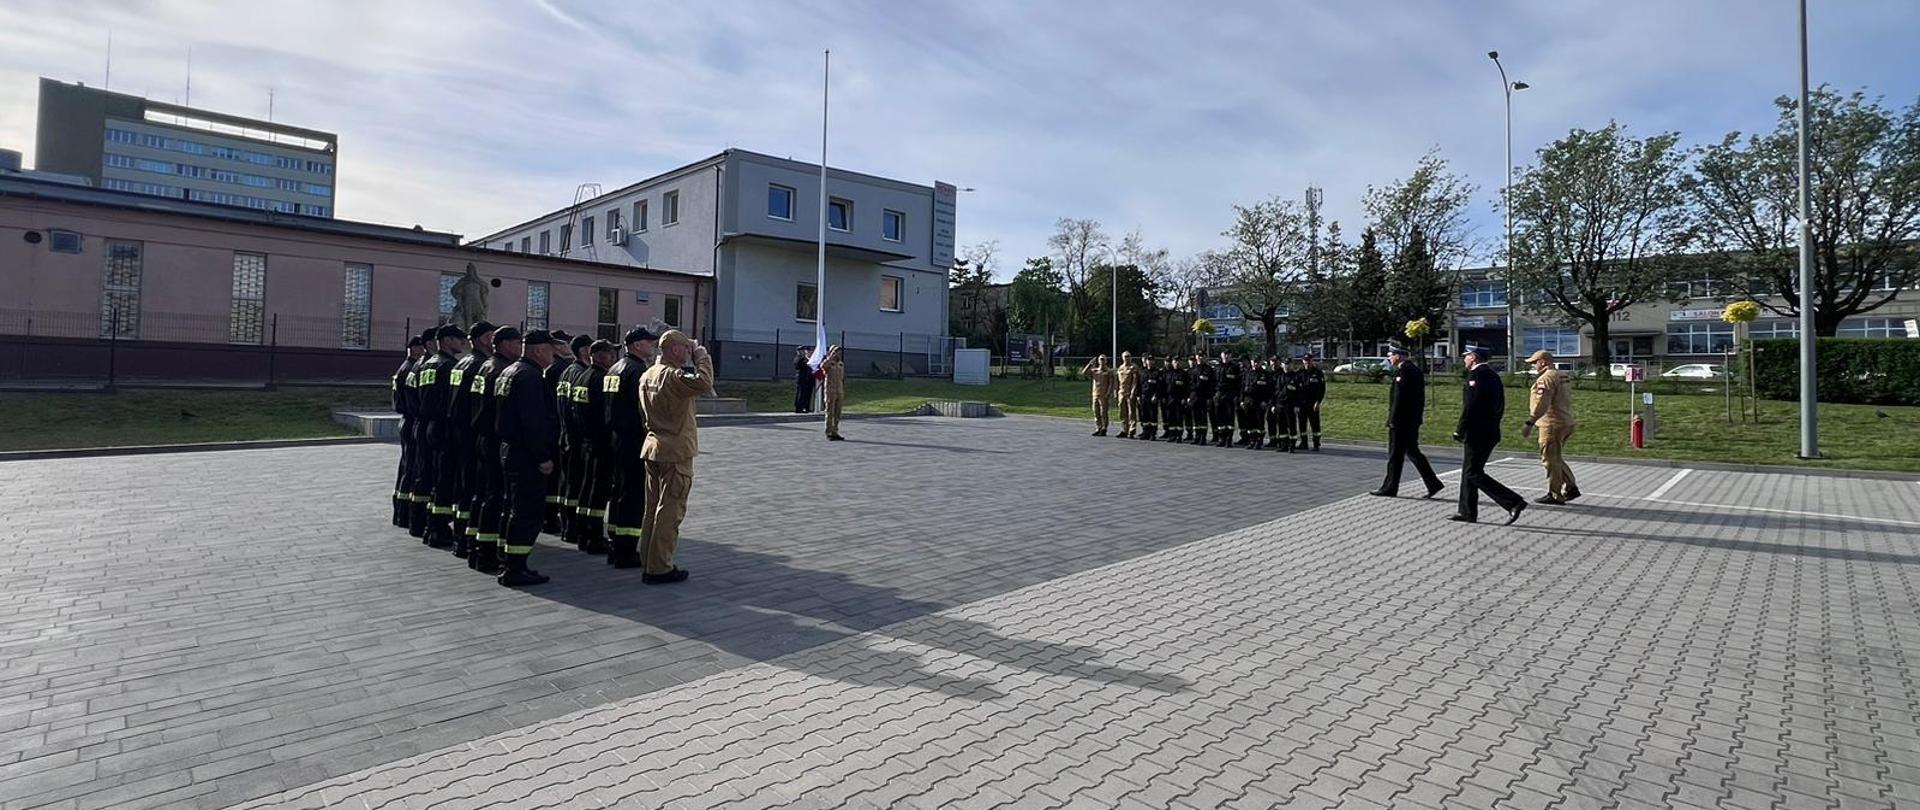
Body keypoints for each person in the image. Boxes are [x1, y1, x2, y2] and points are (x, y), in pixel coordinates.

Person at [638, 330, 714, 585]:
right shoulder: (672, 376)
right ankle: (659, 567)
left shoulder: (647, 374)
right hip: (675, 451)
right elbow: (704, 383)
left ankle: (647, 558)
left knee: (652, 509)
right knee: (671, 510)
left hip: (653, 447)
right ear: (673, 350)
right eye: (685, 348)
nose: (688, 352)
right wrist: (702, 357)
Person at [494, 329, 560, 587]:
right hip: (526, 455)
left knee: (511, 508)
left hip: (509, 449)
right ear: (537, 350)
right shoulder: (530, 377)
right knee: (526, 512)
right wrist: (543, 457)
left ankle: (509, 560)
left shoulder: (509, 372)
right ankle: (515, 568)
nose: (554, 354)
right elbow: (533, 422)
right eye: (550, 349)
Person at [1452, 345, 1527, 525]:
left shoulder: (1477, 376)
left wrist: (1460, 429)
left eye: (1467, 356)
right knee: (1469, 470)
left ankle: (1513, 501)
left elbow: (1471, 406)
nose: (1464, 359)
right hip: (1489, 430)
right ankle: (1467, 511)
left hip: (1478, 432)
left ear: (1474, 357)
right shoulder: (1493, 375)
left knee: (1473, 473)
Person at [603, 327, 657, 568]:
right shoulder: (636, 371)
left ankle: (615, 541)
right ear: (636, 345)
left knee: (619, 491)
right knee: (633, 495)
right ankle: (626, 549)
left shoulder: (615, 368)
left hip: (616, 437)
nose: (652, 346)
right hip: (633, 438)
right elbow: (643, 408)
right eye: (648, 342)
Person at [468, 326, 517, 575]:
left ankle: (476, 547)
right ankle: (488, 553)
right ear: (507, 344)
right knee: (495, 496)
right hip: (495, 439)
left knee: (484, 493)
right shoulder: (499, 369)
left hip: (481, 436)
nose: (520, 348)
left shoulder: (486, 366)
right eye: (517, 343)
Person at [445, 321, 495, 559]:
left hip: (459, 430)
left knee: (464, 485)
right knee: (473, 487)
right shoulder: (478, 365)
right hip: (471, 432)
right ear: (481, 339)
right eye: (490, 336)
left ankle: (461, 536)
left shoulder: (462, 363)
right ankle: (466, 539)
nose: (493, 340)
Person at [1371, 345, 1444, 498]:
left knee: (1395, 455)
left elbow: (1399, 399)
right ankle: (1433, 483)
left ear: (1399, 356)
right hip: (1411, 420)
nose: (1389, 357)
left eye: (1391, 355)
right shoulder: (1414, 370)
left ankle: (1390, 488)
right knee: (1413, 452)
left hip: (1401, 421)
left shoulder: (1404, 371)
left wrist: (1392, 420)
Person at [420, 325, 467, 550]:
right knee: (446, 480)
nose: (463, 343)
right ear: (447, 341)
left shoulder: (427, 363)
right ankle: (439, 529)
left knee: (436, 477)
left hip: (430, 425)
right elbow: (453, 402)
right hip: (445, 427)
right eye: (459, 339)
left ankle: (432, 526)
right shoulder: (448, 366)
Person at [569, 340, 618, 555]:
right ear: (597, 355)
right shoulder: (600, 378)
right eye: (609, 353)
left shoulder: (582, 375)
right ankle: (595, 536)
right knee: (598, 492)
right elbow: (606, 414)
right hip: (601, 443)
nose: (613, 357)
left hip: (585, 441)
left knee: (586, 488)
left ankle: (583, 532)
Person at [1523, 350, 1582, 505]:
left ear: (1543, 362)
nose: (1534, 366)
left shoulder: (1546, 378)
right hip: (1565, 420)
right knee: (1555, 457)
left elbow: (1542, 403)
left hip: (1551, 423)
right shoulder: (1561, 375)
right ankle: (1570, 486)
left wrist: (1530, 422)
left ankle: (1555, 494)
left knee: (1549, 459)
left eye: (1535, 362)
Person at [403, 327, 441, 538]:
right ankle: (420, 522)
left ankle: (413, 520)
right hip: (425, 423)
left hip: (419, 422)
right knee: (426, 474)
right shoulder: (428, 366)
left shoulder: (419, 366)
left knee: (418, 472)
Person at [541, 331, 576, 535]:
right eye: (564, 344)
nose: (566, 347)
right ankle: (550, 517)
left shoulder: (554, 368)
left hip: (555, 427)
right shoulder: (560, 368)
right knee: (555, 479)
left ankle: (550, 515)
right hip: (555, 427)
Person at [391, 335, 425, 528]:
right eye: (420, 348)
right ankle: (404, 514)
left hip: (407, 420)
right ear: (413, 349)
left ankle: (401, 512)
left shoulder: (404, 369)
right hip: (411, 419)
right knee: (411, 467)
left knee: (406, 466)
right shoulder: (409, 370)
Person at [1297, 353, 1327, 451]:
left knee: (1315, 424)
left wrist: (1318, 402)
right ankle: (1304, 442)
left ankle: (1316, 443)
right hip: (1302, 403)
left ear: (1312, 361)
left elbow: (1322, 389)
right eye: (1305, 361)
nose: (1307, 362)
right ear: (1303, 361)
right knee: (1302, 424)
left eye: (1309, 360)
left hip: (1313, 403)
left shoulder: (1318, 373)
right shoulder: (1300, 372)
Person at [1241, 356, 1272, 449]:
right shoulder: (1247, 373)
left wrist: (1265, 401)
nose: (1255, 364)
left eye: (1257, 362)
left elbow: (1269, 390)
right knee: (1249, 422)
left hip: (1260, 402)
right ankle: (1252, 440)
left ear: (1261, 362)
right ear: (1251, 362)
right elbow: (1242, 388)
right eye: (1254, 362)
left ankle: (1259, 441)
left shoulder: (1265, 374)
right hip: (1248, 400)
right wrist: (1242, 400)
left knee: (1259, 422)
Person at [1082, 355, 1115, 436]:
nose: (1102, 361)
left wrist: (1109, 393)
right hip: (1095, 394)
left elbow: (1111, 383)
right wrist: (1090, 364)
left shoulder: (1108, 371)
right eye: (1100, 359)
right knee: (1096, 412)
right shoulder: (1095, 371)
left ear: (1106, 361)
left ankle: (1104, 428)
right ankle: (1098, 427)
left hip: (1104, 395)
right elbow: (1084, 373)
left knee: (1103, 412)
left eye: (1103, 359)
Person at [1186, 353, 1212, 445]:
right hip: (1194, 396)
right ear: (1196, 357)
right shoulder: (1193, 370)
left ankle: (1203, 437)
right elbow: (1189, 385)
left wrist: (1210, 397)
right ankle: (1197, 436)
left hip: (1204, 396)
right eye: (1199, 356)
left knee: (1203, 417)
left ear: (1205, 358)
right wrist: (1189, 396)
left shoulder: (1208, 370)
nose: (1201, 358)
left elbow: (1211, 385)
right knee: (1196, 417)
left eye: (1203, 356)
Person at [822, 345, 846, 441]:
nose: (837, 353)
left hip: (839, 391)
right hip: (830, 391)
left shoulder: (840, 364)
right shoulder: (828, 363)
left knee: (837, 413)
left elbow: (842, 378)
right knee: (830, 412)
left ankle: (835, 431)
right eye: (835, 351)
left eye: (839, 351)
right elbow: (823, 367)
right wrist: (830, 356)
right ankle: (829, 432)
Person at [1161, 356, 1188, 442]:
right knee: (1170, 417)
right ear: (1172, 363)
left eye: (1178, 362)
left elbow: (1186, 388)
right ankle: (1172, 435)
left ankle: (1179, 436)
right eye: (1175, 361)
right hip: (1170, 398)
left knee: (1179, 417)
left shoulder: (1183, 374)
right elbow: (1164, 386)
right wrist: (1164, 397)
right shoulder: (1168, 373)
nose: (1177, 363)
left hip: (1179, 398)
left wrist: (1184, 398)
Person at [1114, 352, 1140, 438]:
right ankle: (1124, 429)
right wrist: (1116, 390)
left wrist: (1133, 392)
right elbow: (1117, 381)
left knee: (1131, 412)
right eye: (1125, 357)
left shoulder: (1133, 367)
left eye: (1128, 356)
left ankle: (1132, 430)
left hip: (1130, 393)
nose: (1127, 358)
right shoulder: (1120, 368)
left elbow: (1135, 381)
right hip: (1122, 392)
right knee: (1122, 412)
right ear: (1122, 358)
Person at [1136, 355, 1162, 441]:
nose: (1150, 362)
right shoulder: (1142, 372)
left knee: (1153, 416)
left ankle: (1153, 433)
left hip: (1152, 397)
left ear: (1154, 361)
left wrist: (1156, 395)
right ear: (1146, 361)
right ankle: (1145, 432)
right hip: (1144, 396)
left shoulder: (1157, 372)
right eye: (1148, 360)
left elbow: (1159, 386)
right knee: (1144, 415)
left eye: (1151, 360)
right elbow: (1139, 385)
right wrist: (1138, 396)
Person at [792, 347, 816, 414]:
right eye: (801, 351)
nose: (802, 352)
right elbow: (799, 365)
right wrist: (807, 359)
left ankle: (806, 407)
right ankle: (799, 408)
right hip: (802, 379)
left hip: (809, 380)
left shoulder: (807, 359)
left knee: (808, 394)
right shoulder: (798, 359)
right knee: (801, 394)